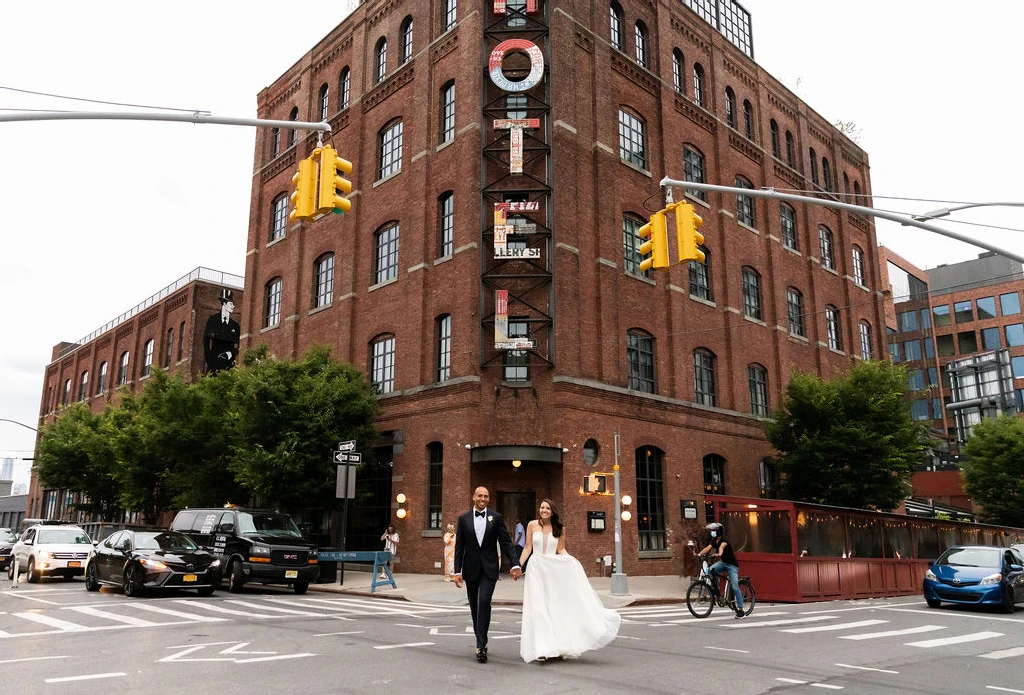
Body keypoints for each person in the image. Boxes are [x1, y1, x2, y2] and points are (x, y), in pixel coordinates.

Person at [518, 499, 621, 663]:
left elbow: (560, 549)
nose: (544, 510)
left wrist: (572, 562)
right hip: (536, 568)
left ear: (552, 511)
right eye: (542, 507)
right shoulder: (532, 525)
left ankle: (556, 644)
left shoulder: (560, 529)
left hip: (553, 570)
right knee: (538, 607)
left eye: (547, 508)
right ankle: (542, 648)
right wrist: (518, 565)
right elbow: (528, 547)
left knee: (553, 606)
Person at [453, 486, 522, 663]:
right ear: (473, 497)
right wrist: (456, 571)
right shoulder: (464, 519)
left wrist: (515, 564)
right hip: (470, 569)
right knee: (474, 607)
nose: (483, 498)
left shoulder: (496, 518)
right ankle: (481, 640)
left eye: (486, 496)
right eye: (480, 496)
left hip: (490, 568)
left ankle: (481, 645)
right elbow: (459, 547)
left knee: (484, 600)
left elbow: (506, 543)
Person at [696, 521, 745, 619]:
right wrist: (699, 554)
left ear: (719, 531)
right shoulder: (714, 540)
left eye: (714, 531)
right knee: (709, 570)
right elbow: (708, 548)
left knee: (735, 586)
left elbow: (722, 548)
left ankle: (741, 611)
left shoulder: (725, 540)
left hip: (732, 565)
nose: (712, 533)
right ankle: (717, 592)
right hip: (723, 563)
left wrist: (719, 554)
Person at [203, 289, 241, 374]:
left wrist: (230, 354)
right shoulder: (213, 320)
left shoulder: (235, 326)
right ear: (224, 304)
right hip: (213, 365)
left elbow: (238, 346)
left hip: (228, 367)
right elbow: (206, 342)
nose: (233, 306)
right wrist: (209, 360)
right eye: (231, 304)